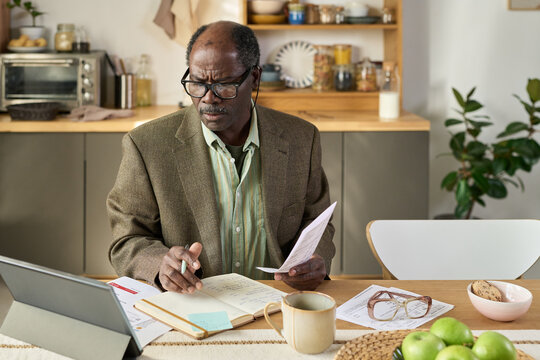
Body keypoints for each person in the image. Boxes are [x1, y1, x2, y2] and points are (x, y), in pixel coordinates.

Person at [107, 21, 335, 294]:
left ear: (255, 78)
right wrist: (160, 264)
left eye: (224, 86)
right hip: (195, 303)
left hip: (278, 301)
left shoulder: (301, 139)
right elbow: (127, 239)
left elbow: (317, 222)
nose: (208, 98)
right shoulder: (146, 146)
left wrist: (315, 262)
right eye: (197, 83)